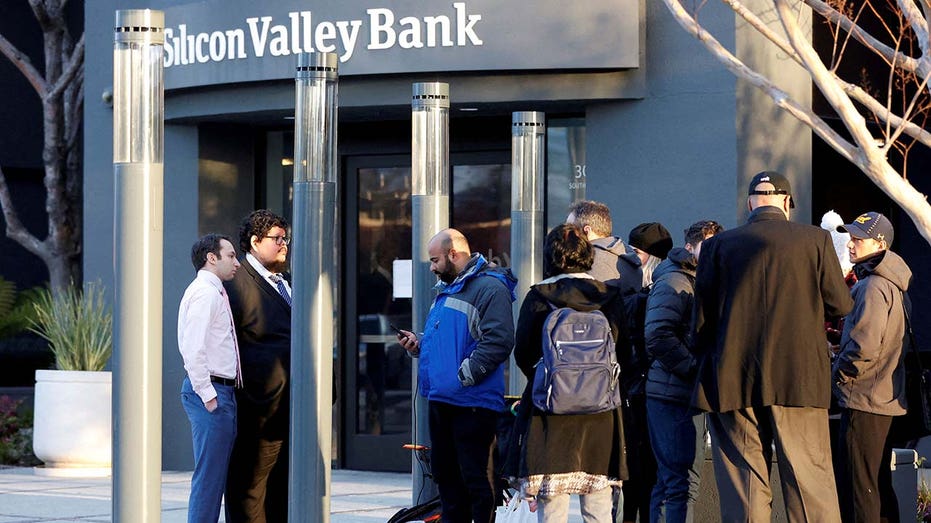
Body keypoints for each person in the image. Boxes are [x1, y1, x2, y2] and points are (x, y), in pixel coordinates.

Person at [691, 170, 854, 522]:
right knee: (809, 482)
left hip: (733, 377)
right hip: (799, 378)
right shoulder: (815, 240)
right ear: (786, 202)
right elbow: (841, 305)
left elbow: (700, 321)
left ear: (751, 202)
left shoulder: (719, 244)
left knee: (744, 486)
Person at [395, 228, 516, 523]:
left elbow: (499, 340)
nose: (433, 267)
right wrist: (419, 344)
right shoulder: (449, 288)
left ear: (454, 254)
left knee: (475, 480)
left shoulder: (489, 288)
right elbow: (451, 340)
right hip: (443, 399)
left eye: (435, 260)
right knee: (447, 478)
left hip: (472, 402)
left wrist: (466, 374)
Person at [513, 223, 628, 523]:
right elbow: (622, 350)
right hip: (600, 413)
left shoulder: (539, 296)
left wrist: (551, 383)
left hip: (550, 413)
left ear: (551, 256)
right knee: (599, 508)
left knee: (552, 508)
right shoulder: (609, 296)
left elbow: (523, 353)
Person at [833, 212, 910, 523]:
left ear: (880, 243)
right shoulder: (892, 283)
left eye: (857, 240)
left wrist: (835, 375)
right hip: (882, 400)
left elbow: (863, 348)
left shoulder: (873, 286)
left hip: (864, 400)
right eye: (850, 238)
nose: (850, 245)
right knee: (876, 486)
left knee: (859, 490)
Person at [644, 220, 723, 523]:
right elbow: (658, 336)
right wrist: (694, 370)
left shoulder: (700, 279)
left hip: (683, 393)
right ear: (689, 247)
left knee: (675, 482)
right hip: (672, 394)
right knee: (678, 484)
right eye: (708, 245)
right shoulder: (676, 281)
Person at [224, 210, 292, 523]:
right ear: (254, 242)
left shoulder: (285, 282)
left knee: (281, 487)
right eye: (277, 239)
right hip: (256, 408)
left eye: (285, 238)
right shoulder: (235, 284)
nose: (284, 245)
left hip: (287, 409)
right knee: (249, 489)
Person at [178, 234, 242, 523]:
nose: (236, 263)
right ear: (211, 258)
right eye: (230, 255)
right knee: (209, 480)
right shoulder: (205, 292)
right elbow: (193, 347)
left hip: (220, 391)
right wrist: (209, 395)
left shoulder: (213, 291)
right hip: (212, 392)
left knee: (214, 478)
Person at [621, 222, 671, 523]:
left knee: (647, 472)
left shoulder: (653, 294)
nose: (629, 257)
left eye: (636, 251)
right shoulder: (637, 292)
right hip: (638, 389)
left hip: (647, 391)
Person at [566, 200, 643, 296]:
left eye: (570, 229)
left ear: (587, 231)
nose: (566, 234)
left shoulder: (591, 261)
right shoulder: (626, 254)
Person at [628, 223, 672, 289]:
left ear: (653, 259)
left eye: (636, 252)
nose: (628, 256)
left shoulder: (665, 288)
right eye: (628, 250)